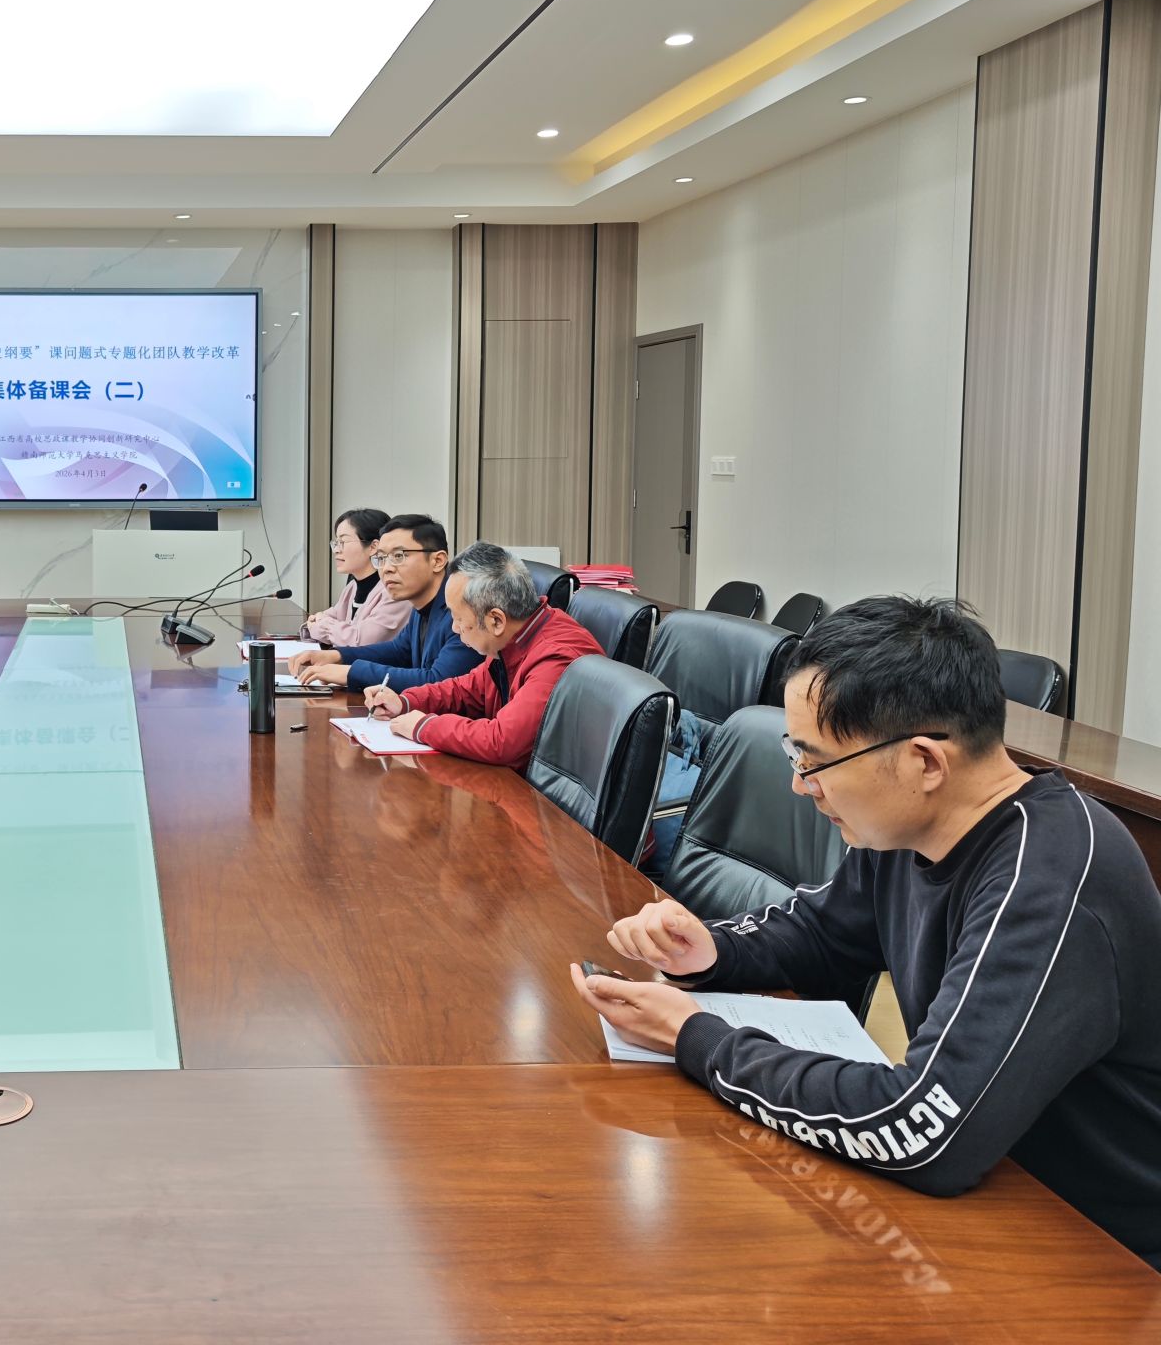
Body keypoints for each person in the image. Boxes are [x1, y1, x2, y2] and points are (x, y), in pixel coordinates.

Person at [571, 597, 1161, 1269]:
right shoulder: (913, 826)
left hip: (1103, 1253)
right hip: (997, 1194)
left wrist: (696, 1037)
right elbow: (825, 933)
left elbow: (922, 1131)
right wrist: (713, 950)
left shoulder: (1050, 877)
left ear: (924, 762)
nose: (801, 787)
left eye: (814, 762)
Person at [360, 541, 603, 770]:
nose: (454, 628)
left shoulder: (555, 657)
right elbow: (467, 690)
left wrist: (424, 726)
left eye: (458, 618)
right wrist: (405, 702)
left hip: (538, 797)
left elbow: (502, 742)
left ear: (496, 620)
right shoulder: (515, 638)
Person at [287, 516, 480, 691]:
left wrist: (351, 672)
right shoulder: (420, 604)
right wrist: (337, 656)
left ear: (437, 561)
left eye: (399, 556)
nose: (386, 568)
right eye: (381, 558)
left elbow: (438, 681)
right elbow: (398, 651)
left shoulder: (463, 610)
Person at [299, 507, 412, 649]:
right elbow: (321, 620)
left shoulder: (393, 590)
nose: (336, 550)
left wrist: (324, 626)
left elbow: (360, 641)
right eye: (335, 543)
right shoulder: (352, 587)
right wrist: (320, 623)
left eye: (343, 542)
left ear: (373, 547)